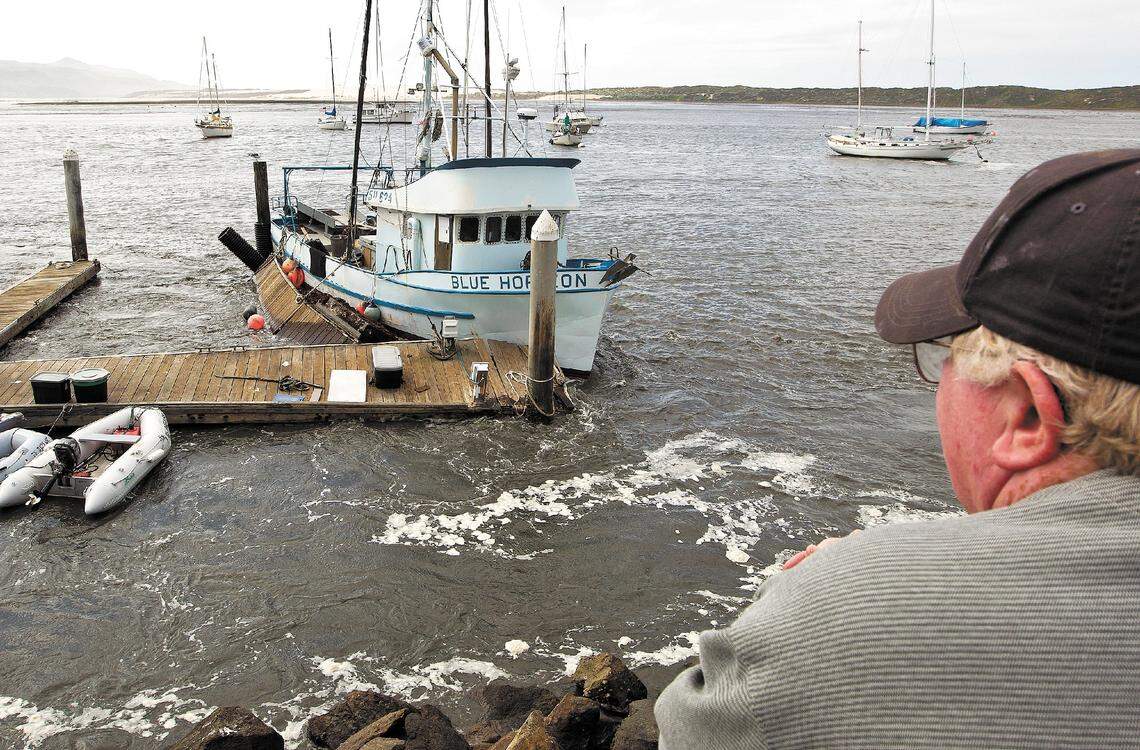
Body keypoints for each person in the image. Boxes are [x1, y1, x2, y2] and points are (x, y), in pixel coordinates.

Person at [655, 149, 1140, 749]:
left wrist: (840, 589)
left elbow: (692, 728)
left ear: (1029, 415)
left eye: (943, 356)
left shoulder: (845, 612)